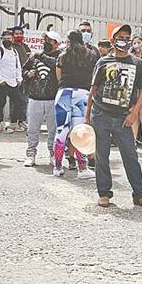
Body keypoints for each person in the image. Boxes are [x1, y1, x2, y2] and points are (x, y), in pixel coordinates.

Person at [87, 25, 142, 209]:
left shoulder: (138, 64)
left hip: (124, 117)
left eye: (127, 37)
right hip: (101, 115)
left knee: (131, 156)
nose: (124, 40)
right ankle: (104, 193)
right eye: (120, 36)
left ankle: (139, 194)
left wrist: (134, 113)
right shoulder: (103, 62)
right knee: (102, 156)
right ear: (113, 39)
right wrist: (87, 117)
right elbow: (93, 89)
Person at [53, 31, 97, 178]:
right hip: (82, 94)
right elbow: (94, 76)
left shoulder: (62, 55)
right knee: (80, 133)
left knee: (61, 132)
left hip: (64, 93)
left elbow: (58, 76)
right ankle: (82, 169)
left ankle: (58, 167)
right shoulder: (91, 55)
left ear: (68, 40)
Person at [23, 31, 62, 167]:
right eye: (45, 39)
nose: (46, 42)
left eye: (49, 40)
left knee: (53, 129)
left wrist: (40, 56)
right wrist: (28, 74)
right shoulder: (36, 56)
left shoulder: (60, 56)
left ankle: (53, 153)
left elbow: (56, 64)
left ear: (56, 43)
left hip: (53, 98)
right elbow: (24, 69)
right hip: (35, 97)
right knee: (32, 128)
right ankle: (31, 153)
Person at [0, 29, 24, 134]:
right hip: (2, 82)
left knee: (18, 101)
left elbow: (18, 66)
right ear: (2, 39)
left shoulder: (15, 51)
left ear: (12, 39)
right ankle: (0, 124)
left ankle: (13, 124)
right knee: (1, 103)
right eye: (5, 38)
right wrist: (0, 79)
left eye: (9, 38)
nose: (7, 40)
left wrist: (19, 78)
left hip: (13, 82)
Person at [8, 26, 32, 130]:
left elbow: (30, 60)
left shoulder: (25, 46)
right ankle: (13, 122)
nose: (19, 36)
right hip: (15, 78)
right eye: (16, 34)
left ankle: (22, 121)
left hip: (26, 78)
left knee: (24, 100)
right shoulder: (11, 47)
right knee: (15, 100)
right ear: (13, 36)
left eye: (20, 34)